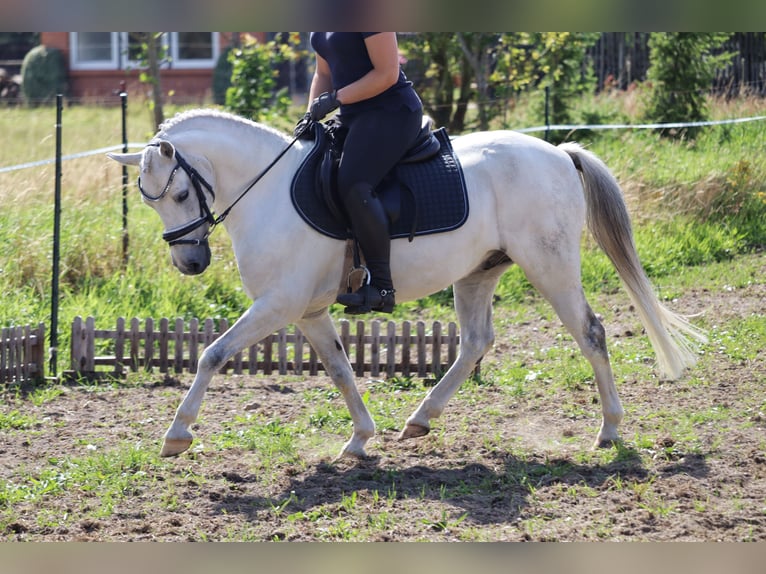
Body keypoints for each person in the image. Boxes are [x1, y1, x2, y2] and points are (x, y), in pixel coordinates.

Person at [297, 32, 423, 314]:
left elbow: (387, 73)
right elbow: (323, 73)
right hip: (353, 116)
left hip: (392, 111)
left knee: (354, 183)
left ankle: (382, 287)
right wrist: (309, 115)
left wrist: (335, 99)